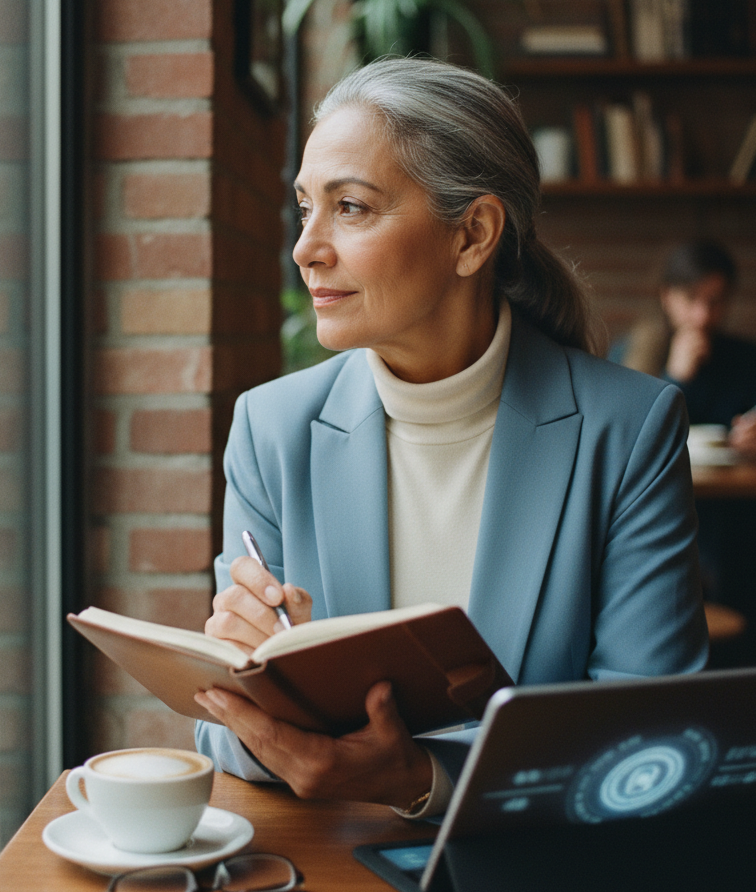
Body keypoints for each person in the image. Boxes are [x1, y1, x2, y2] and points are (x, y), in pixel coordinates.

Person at [193, 57, 708, 817]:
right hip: (334, 888)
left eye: (352, 208)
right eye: (305, 208)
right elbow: (222, 737)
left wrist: (420, 779)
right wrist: (248, 679)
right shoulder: (272, 429)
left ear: (472, 235)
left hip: (551, 883)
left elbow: (650, 736)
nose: (306, 248)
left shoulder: (627, 430)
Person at [610, 241, 756, 459]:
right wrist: (676, 379)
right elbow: (622, 438)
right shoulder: (630, 353)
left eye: (714, 301)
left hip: (734, 490)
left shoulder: (749, 357)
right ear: (667, 297)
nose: (702, 316)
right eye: (691, 298)